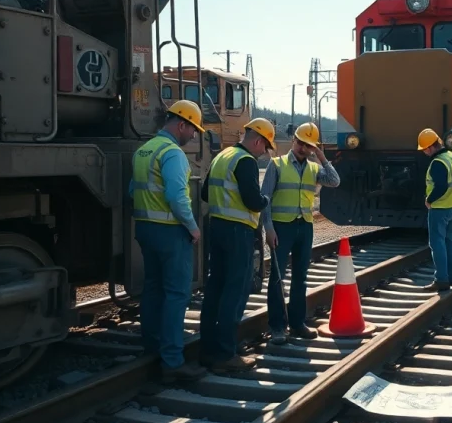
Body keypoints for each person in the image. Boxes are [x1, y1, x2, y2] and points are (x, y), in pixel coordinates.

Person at [129, 100, 207, 382]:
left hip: (146, 229)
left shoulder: (143, 150)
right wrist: (193, 227)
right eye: (193, 129)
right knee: (177, 293)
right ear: (182, 124)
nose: (194, 136)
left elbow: (132, 190)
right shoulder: (173, 153)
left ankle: (151, 346)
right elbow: (177, 197)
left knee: (153, 288)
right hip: (170, 231)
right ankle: (172, 361)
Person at [198, 118, 275, 372]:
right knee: (235, 290)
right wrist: (265, 200)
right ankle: (225, 353)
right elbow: (253, 200)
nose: (264, 152)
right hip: (238, 231)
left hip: (217, 227)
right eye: (265, 146)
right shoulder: (245, 161)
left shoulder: (223, 156)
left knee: (215, 287)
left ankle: (208, 349)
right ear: (258, 141)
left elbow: (205, 194)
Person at [261, 122, 341, 345]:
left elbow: (335, 181)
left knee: (300, 277)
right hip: (281, 227)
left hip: (304, 226)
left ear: (313, 148)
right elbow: (264, 200)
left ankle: (297, 323)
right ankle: (277, 327)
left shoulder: (315, 169)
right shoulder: (276, 165)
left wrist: (322, 158)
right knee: (277, 278)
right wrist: (268, 228)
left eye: (308, 146)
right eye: (300, 143)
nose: (302, 148)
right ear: (293, 140)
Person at [417, 128, 452, 292]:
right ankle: (451, 278)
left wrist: (428, 200)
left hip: (441, 208)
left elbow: (441, 186)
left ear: (430, 147)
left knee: (437, 243)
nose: (424, 152)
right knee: (449, 240)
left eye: (424, 149)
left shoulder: (438, 162)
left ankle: (441, 280)